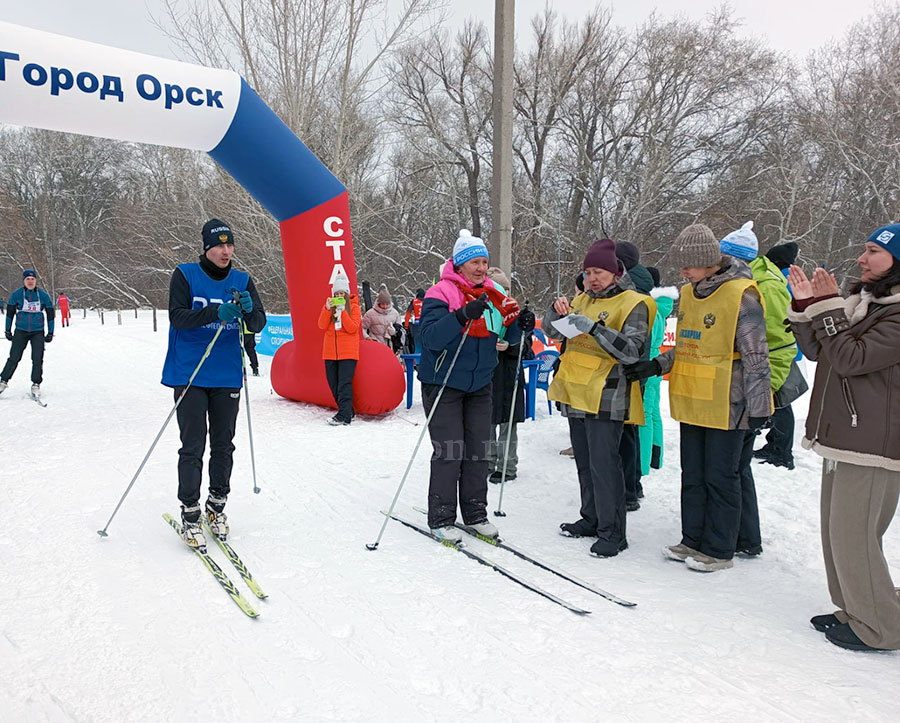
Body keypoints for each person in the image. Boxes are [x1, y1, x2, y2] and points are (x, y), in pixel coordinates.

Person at [625, 224, 771, 572]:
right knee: (693, 472)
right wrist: (656, 365)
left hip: (729, 400)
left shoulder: (742, 294)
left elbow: (755, 354)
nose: (682, 272)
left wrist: (761, 405)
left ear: (708, 261)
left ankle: (720, 549)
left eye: (688, 265)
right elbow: (690, 346)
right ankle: (692, 538)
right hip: (693, 397)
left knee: (721, 476)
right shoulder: (689, 294)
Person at [786, 224, 900, 651]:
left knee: (856, 536)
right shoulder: (866, 305)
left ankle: (881, 628)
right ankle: (855, 609)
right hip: (845, 433)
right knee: (837, 533)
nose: (862, 258)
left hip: (875, 445)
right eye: (865, 249)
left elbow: (851, 358)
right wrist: (806, 308)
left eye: (874, 251)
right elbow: (820, 352)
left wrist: (828, 308)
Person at [543, 238, 655, 558]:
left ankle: (613, 532)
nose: (593, 278)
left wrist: (594, 328)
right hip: (577, 390)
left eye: (600, 272)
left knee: (605, 465)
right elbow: (554, 333)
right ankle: (591, 518)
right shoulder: (582, 299)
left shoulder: (633, 303)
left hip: (609, 393)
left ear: (615, 273)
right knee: (585, 462)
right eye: (589, 272)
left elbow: (633, 352)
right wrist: (555, 313)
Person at [161, 219, 267, 550]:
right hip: (190, 372)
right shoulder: (186, 274)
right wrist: (216, 313)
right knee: (193, 445)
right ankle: (190, 511)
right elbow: (177, 317)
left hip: (226, 374)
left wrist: (249, 313)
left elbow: (258, 322)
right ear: (207, 248)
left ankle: (216, 506)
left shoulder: (242, 280)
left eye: (230, 245)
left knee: (224, 444)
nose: (225, 251)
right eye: (219, 245)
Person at [418, 229, 527, 542]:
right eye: (474, 262)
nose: (481, 268)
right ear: (460, 264)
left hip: (480, 382)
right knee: (450, 451)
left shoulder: (494, 293)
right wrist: (463, 314)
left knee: (479, 451)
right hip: (444, 382)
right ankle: (441, 517)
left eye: (484, 262)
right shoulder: (441, 292)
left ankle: (476, 513)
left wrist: (521, 325)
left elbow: (506, 336)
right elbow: (431, 339)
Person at [720, 221, 801, 558]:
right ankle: (741, 533)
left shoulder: (762, 287)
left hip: (754, 387)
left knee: (737, 465)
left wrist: (765, 393)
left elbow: (776, 344)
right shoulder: (745, 280)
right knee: (735, 464)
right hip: (737, 384)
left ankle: (747, 538)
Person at [615, 241, 654, 510]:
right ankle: (633, 483)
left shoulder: (631, 289)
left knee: (625, 430)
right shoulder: (639, 283)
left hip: (628, 366)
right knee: (629, 429)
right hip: (636, 365)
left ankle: (628, 489)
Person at [485, 267, 532, 484]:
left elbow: (527, 347)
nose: (502, 293)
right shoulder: (485, 312)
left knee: (507, 423)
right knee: (487, 421)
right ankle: (488, 461)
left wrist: (511, 347)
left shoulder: (516, 315)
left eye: (505, 289)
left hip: (509, 375)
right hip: (490, 374)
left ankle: (507, 465)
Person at [759, 240, 804, 468]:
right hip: (787, 349)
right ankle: (775, 443)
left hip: (781, 350)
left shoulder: (779, 280)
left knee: (781, 401)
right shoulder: (787, 278)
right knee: (779, 400)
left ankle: (782, 450)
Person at [639, 267, 678, 475]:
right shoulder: (661, 307)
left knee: (644, 416)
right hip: (655, 363)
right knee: (653, 413)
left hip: (648, 362)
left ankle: (642, 464)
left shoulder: (650, 308)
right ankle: (655, 456)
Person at [1, 270, 55, 398]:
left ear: (36, 281)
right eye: (28, 279)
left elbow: (50, 314)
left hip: (37, 331)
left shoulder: (43, 295)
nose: (30, 281)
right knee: (14, 357)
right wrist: (7, 330)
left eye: (32, 279)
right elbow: (10, 313)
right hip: (21, 330)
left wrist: (51, 332)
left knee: (37, 358)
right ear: (24, 281)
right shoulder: (17, 294)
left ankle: (36, 383)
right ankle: (3, 381)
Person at [317, 269, 361, 426]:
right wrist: (327, 309)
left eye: (342, 294)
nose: (339, 297)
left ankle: (343, 416)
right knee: (333, 383)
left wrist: (343, 313)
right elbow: (321, 325)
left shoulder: (354, 307)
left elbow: (353, 328)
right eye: (337, 294)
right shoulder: (329, 306)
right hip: (330, 352)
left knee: (344, 384)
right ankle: (348, 410)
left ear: (347, 294)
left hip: (347, 352)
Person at [403, 288, 426, 354]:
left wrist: (406, 325)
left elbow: (408, 313)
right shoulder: (428, 301)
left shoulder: (414, 301)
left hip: (417, 324)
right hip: (427, 323)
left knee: (417, 344)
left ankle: (417, 361)